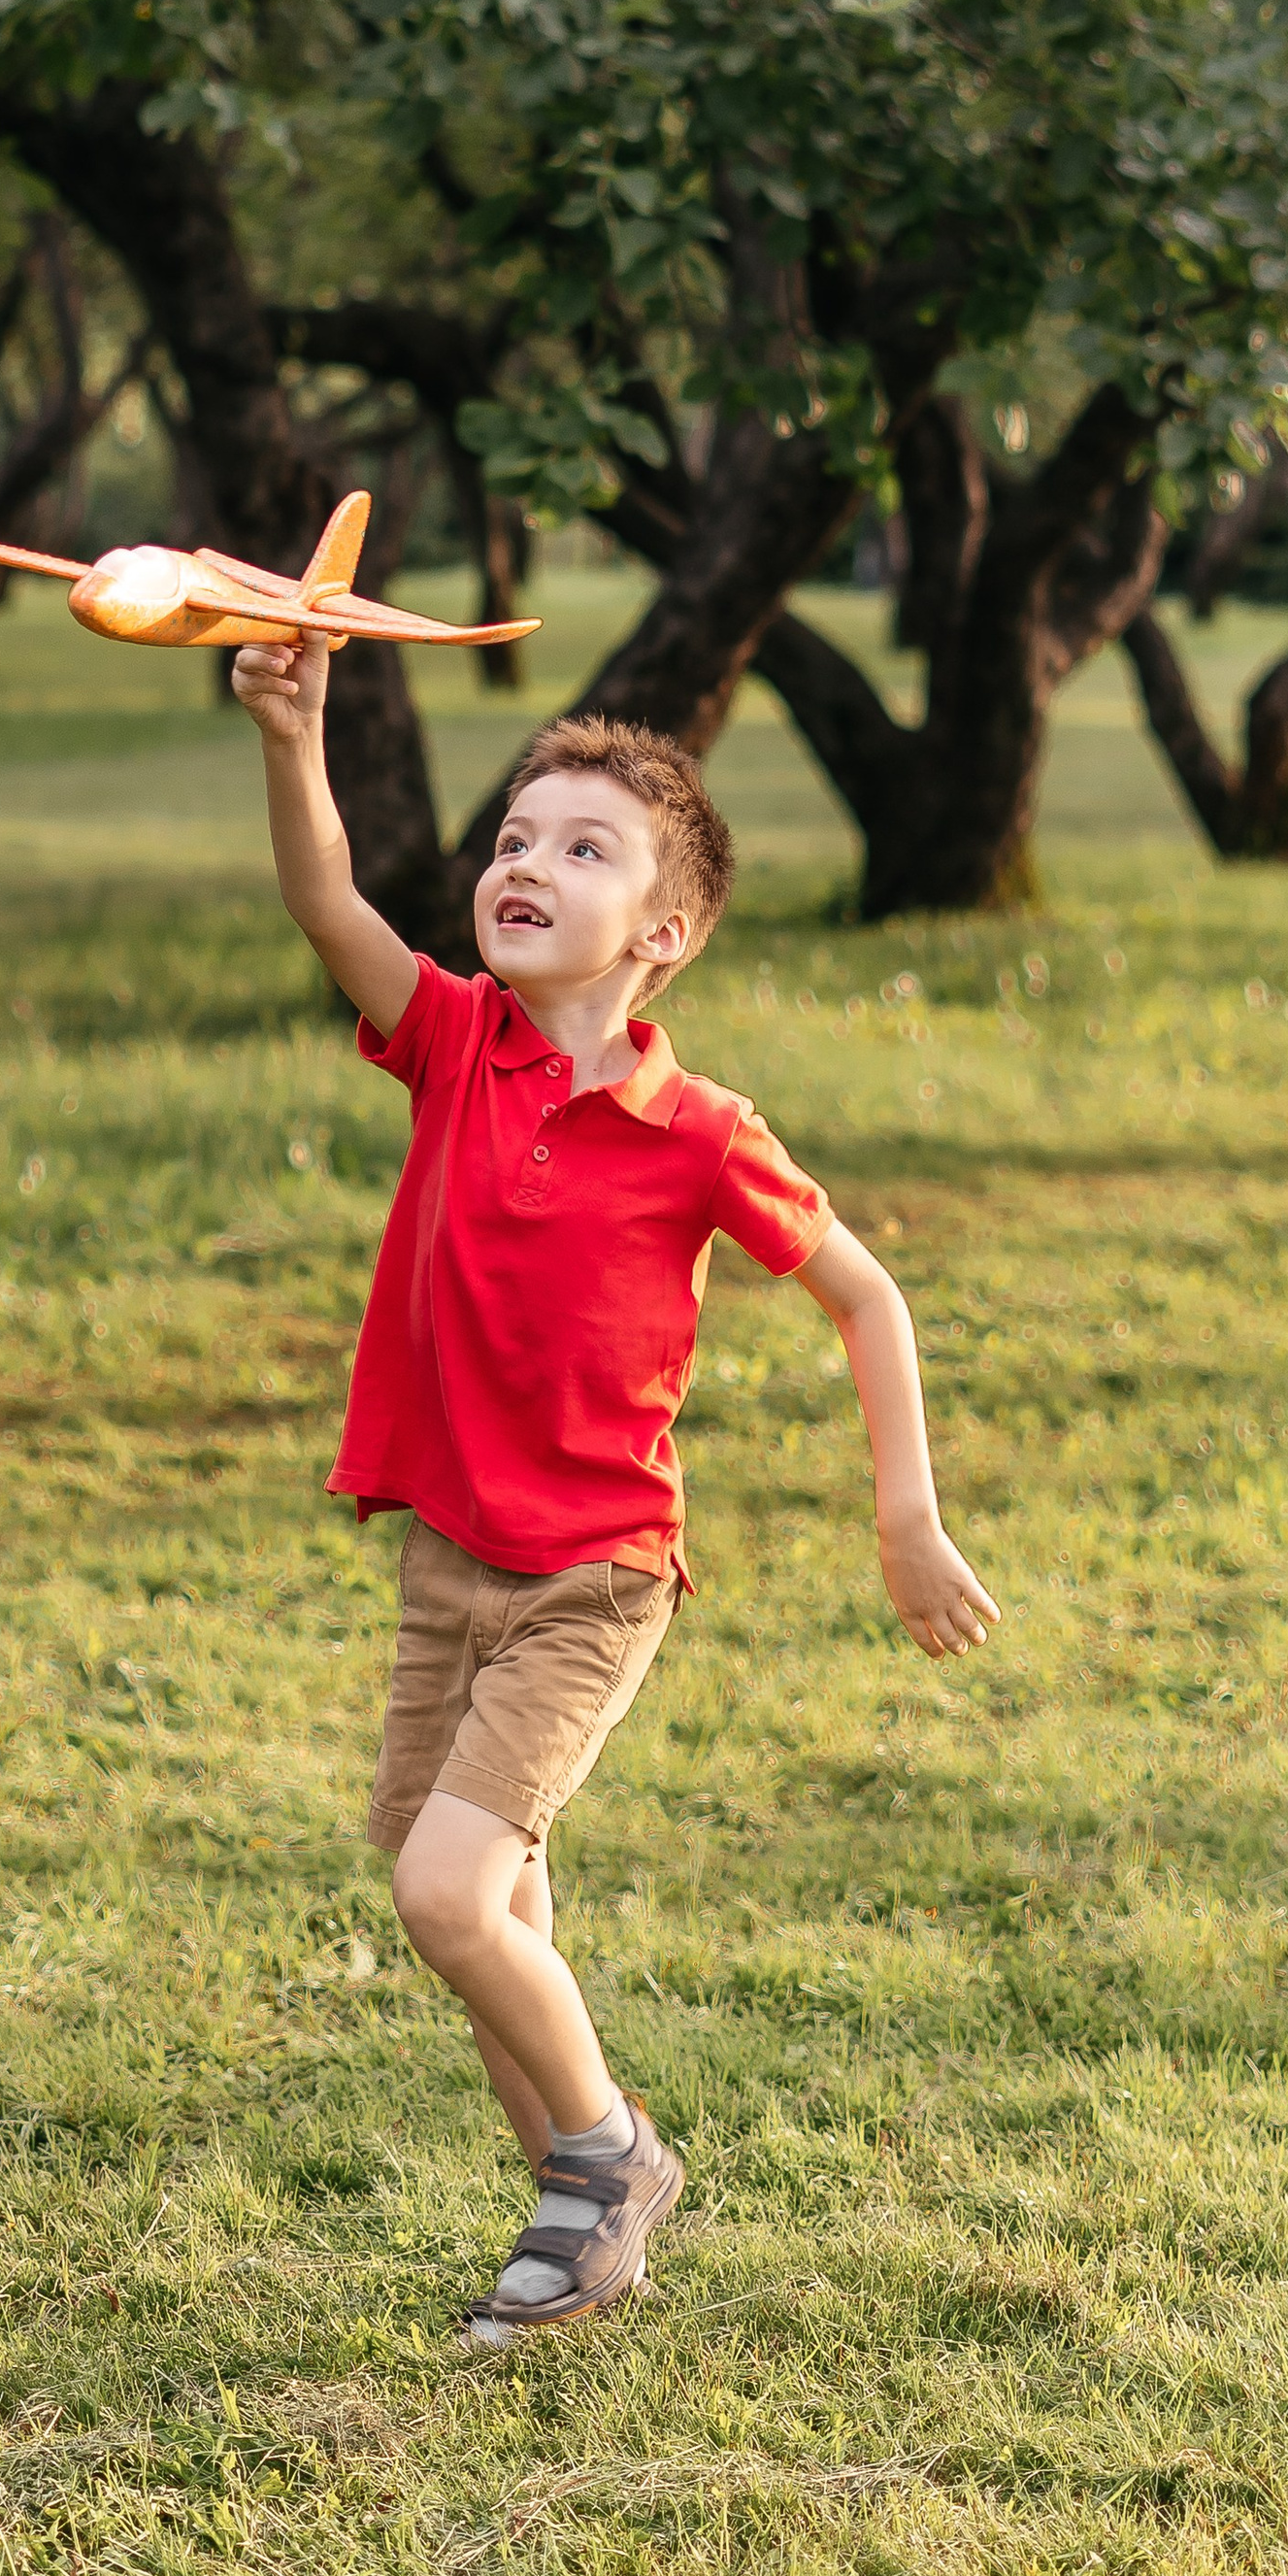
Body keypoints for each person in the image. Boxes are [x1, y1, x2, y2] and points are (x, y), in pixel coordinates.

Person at [232, 636, 998, 2342]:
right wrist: (295, 737)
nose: (529, 864)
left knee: (447, 1896)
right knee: (487, 1902)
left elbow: (867, 1296)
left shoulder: (698, 1129)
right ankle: (580, 2232)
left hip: (593, 1575)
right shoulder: (454, 1043)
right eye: (516, 837)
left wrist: (907, 1517)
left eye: (586, 848)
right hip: (452, 1560)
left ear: (664, 932)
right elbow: (327, 901)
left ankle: (609, 2155)